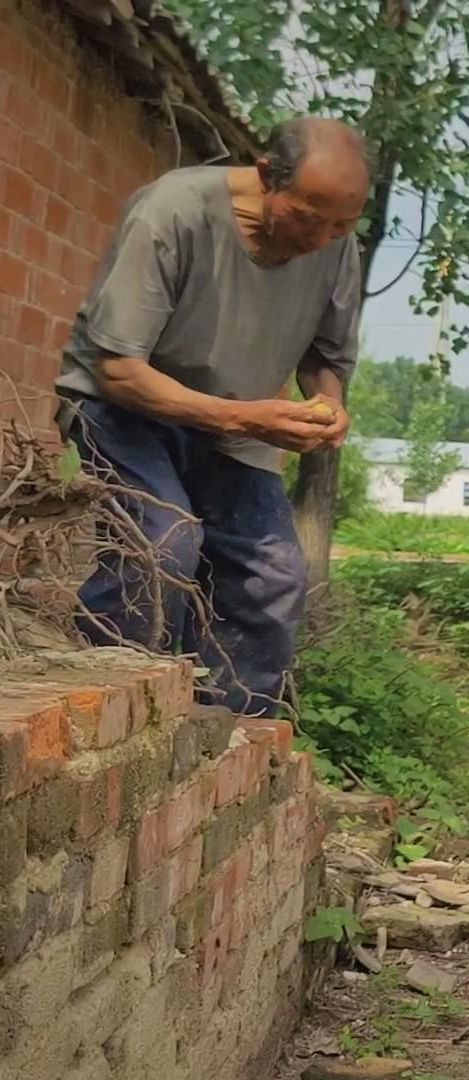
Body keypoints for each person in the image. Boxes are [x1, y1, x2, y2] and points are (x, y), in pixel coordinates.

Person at [57, 117, 369, 716]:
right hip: (126, 409)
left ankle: (223, 738)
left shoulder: (335, 248)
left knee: (272, 579)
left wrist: (327, 406)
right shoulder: (173, 210)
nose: (324, 238)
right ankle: (102, 715)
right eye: (309, 216)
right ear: (264, 175)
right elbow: (117, 370)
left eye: (343, 224)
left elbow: (325, 358)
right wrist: (246, 419)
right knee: (163, 548)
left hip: (237, 423)